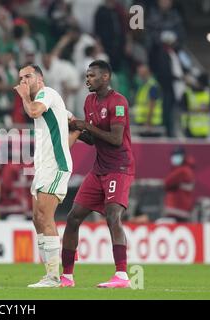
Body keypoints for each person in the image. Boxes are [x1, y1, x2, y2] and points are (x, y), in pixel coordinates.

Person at [62, 60, 135, 288]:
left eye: (92, 75)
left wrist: (86, 126)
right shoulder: (89, 101)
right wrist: (74, 127)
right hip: (99, 169)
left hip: (119, 167)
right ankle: (66, 277)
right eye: (87, 75)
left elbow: (114, 139)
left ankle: (122, 276)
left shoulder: (118, 102)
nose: (87, 79)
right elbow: (93, 139)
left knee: (112, 216)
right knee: (73, 217)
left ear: (105, 77)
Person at [14, 64, 81, 287]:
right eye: (21, 78)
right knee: (37, 218)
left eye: (28, 76)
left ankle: (54, 277)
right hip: (44, 167)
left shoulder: (46, 94)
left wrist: (24, 97)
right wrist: (70, 139)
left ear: (40, 79)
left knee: (45, 215)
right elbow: (72, 127)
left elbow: (33, 111)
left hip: (54, 167)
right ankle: (49, 273)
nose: (24, 80)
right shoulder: (48, 100)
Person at [161, 146, 195, 222]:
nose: (174, 158)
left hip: (177, 209)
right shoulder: (187, 169)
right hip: (182, 209)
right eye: (173, 155)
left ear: (183, 156)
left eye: (177, 155)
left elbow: (167, 182)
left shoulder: (182, 170)